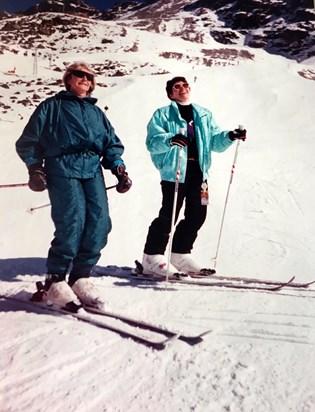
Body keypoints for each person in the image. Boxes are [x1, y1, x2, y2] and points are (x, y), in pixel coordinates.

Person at [16, 61, 132, 312]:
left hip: (92, 170)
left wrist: (119, 170)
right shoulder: (52, 106)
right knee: (72, 221)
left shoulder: (97, 113)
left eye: (90, 77)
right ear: (68, 79)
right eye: (79, 75)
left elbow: (111, 144)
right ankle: (55, 279)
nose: (85, 79)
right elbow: (29, 141)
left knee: (100, 222)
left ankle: (80, 276)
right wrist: (34, 168)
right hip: (62, 167)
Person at [142, 76, 246, 276]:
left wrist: (230, 136)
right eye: (177, 87)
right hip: (175, 172)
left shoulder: (204, 115)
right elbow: (152, 142)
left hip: (199, 172)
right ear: (171, 93)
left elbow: (214, 141)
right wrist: (170, 139)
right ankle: (152, 256)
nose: (182, 88)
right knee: (169, 214)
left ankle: (179, 253)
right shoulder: (163, 115)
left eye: (185, 85)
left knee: (198, 214)